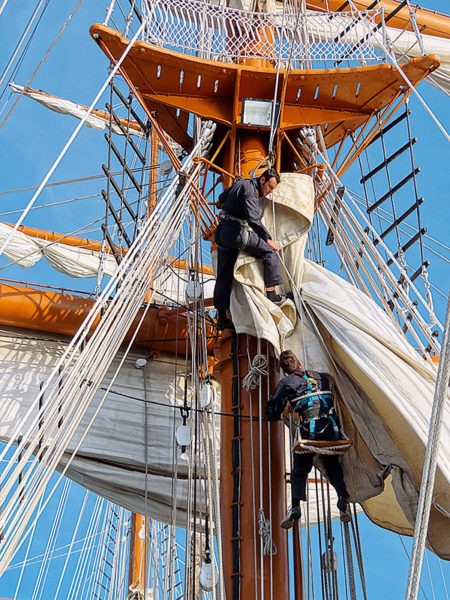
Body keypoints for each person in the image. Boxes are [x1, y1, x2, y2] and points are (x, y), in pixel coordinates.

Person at [265, 349, 350, 528]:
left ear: (284, 369)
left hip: (310, 434)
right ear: (299, 363)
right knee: (332, 464)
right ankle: (343, 499)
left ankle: (295, 507)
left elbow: (272, 413)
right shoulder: (321, 377)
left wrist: (283, 404)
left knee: (300, 469)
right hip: (331, 431)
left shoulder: (286, 383)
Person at [213, 168, 285, 330]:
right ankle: (272, 293)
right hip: (236, 232)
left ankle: (222, 317)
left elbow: (222, 197)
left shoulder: (240, 184)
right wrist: (268, 240)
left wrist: (224, 202)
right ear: (262, 180)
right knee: (269, 251)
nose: (270, 191)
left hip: (223, 234)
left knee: (224, 276)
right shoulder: (250, 191)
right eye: (270, 187)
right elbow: (253, 219)